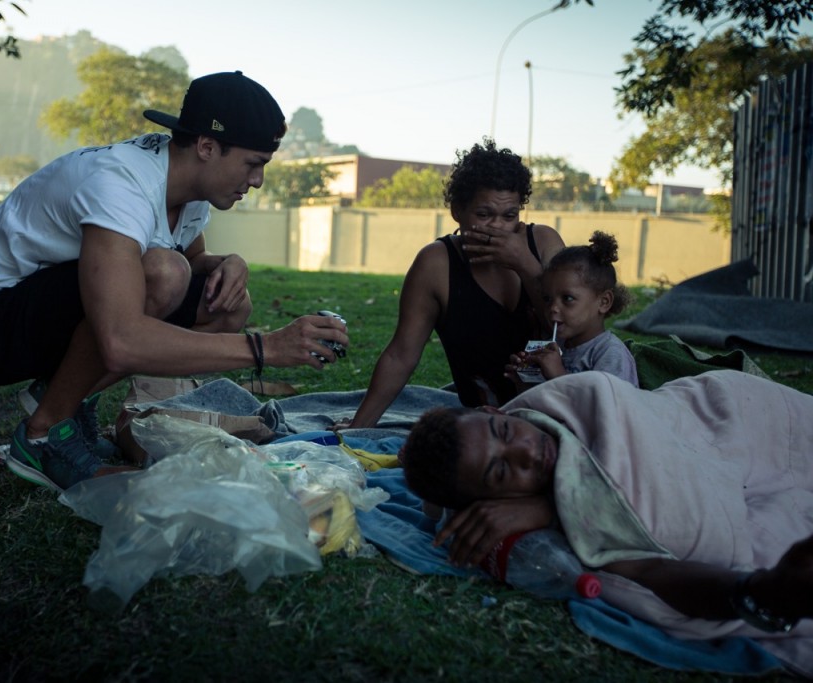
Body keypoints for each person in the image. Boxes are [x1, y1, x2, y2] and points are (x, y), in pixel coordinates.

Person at [0, 71, 348, 493]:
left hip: (45, 303)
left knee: (228, 304)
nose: (257, 181)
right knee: (163, 274)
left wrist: (227, 263)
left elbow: (193, 261)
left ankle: (64, 396)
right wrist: (265, 347)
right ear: (207, 147)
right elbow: (121, 340)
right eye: (253, 164)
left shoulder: (189, 192)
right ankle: (42, 432)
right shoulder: (123, 184)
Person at [401, 370, 813, 676]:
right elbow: (650, 570)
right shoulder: (565, 535)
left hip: (730, 415)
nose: (526, 450)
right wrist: (762, 592)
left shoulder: (570, 402)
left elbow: (614, 400)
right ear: (484, 504)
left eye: (506, 430)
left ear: (496, 410)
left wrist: (550, 502)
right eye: (502, 472)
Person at [336, 138, 564, 430]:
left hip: (560, 407)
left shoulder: (543, 244)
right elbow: (401, 354)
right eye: (484, 215)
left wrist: (524, 263)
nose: (498, 227)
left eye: (509, 216)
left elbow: (572, 329)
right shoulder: (437, 264)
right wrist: (359, 426)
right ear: (457, 211)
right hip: (486, 419)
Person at [504, 230, 638, 389]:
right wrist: (526, 381)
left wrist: (559, 375)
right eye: (547, 299)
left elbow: (610, 407)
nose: (553, 308)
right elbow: (548, 398)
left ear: (604, 302)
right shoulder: (554, 345)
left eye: (567, 298)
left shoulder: (610, 354)